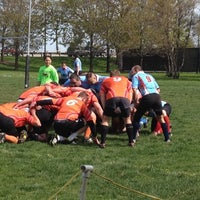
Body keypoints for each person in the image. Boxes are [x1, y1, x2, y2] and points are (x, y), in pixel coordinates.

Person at [30, 91, 99, 146]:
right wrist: (95, 136)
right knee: (88, 120)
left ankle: (58, 138)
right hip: (68, 123)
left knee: (67, 128)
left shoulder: (66, 98)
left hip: (56, 124)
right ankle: (71, 138)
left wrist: (37, 102)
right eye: (87, 101)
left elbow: (50, 101)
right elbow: (91, 122)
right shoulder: (82, 104)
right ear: (84, 99)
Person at [131, 65, 170, 145]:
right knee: (160, 118)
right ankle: (167, 138)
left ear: (135, 70)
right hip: (157, 96)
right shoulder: (149, 76)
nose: (131, 73)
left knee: (136, 118)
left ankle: (133, 139)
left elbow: (134, 89)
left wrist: (136, 101)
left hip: (147, 96)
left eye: (132, 71)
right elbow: (158, 88)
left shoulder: (136, 76)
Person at [99, 70, 133, 148]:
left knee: (105, 120)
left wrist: (104, 107)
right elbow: (130, 92)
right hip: (124, 99)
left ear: (111, 76)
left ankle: (103, 142)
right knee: (127, 120)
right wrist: (128, 103)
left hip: (112, 98)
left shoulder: (106, 80)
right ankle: (131, 141)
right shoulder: (126, 79)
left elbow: (102, 94)